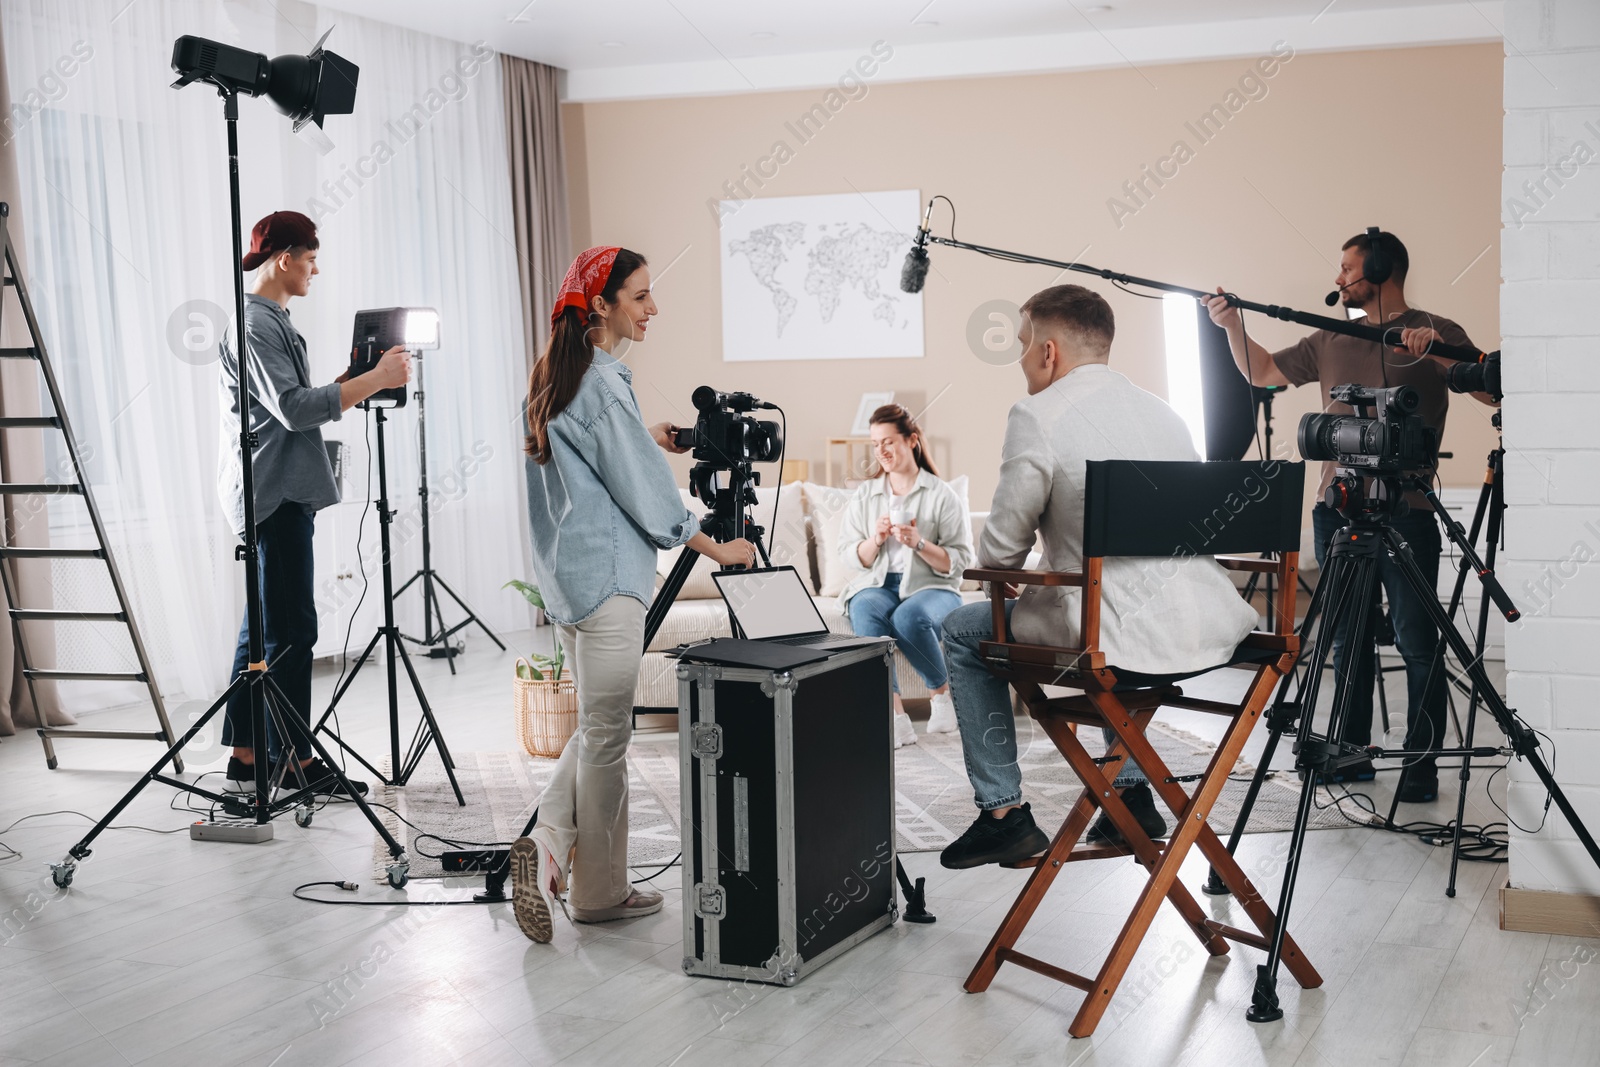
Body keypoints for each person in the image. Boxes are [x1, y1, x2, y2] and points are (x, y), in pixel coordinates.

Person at [938, 284, 1258, 869]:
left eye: (1021, 344)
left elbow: (1001, 548)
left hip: (1109, 638)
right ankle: (1130, 793)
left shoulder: (1036, 414)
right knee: (1112, 620)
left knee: (962, 629)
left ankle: (1003, 814)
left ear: (1049, 351)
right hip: (1206, 628)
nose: (1019, 358)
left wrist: (1002, 571)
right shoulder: (1166, 414)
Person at [511, 246, 757, 945]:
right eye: (641, 296)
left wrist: (643, 441)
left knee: (596, 729)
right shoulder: (605, 379)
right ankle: (584, 881)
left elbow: (593, 464)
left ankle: (567, 860)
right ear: (602, 305)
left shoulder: (554, 378)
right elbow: (649, 497)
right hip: (616, 581)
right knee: (607, 739)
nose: (653, 308)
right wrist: (716, 544)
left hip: (568, 585)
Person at [1204, 230, 1492, 804]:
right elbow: (1262, 373)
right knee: (1345, 638)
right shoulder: (1331, 334)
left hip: (1408, 509)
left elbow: (1489, 389)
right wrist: (1232, 327)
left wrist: (1433, 349)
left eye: (1347, 268)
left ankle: (1420, 764)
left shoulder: (1438, 330)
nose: (1338, 279)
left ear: (1381, 269)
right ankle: (1350, 753)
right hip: (1336, 511)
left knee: (1417, 640)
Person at [219, 210, 412, 797]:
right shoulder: (255, 323)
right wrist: (374, 381)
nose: (314, 270)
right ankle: (292, 761)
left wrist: (357, 377)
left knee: (262, 631)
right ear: (285, 259)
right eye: (309, 259)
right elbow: (297, 410)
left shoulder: (270, 319)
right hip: (273, 493)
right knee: (293, 630)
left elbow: (295, 401)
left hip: (275, 487)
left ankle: (250, 758)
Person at [838, 404, 973, 747]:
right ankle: (894, 716)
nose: (881, 451)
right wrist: (876, 539)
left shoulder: (942, 495)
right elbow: (849, 556)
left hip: (934, 587)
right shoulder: (866, 495)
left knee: (908, 616)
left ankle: (941, 696)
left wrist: (920, 543)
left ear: (912, 440)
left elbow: (959, 562)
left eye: (888, 442)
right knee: (865, 607)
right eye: (874, 444)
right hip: (880, 585)